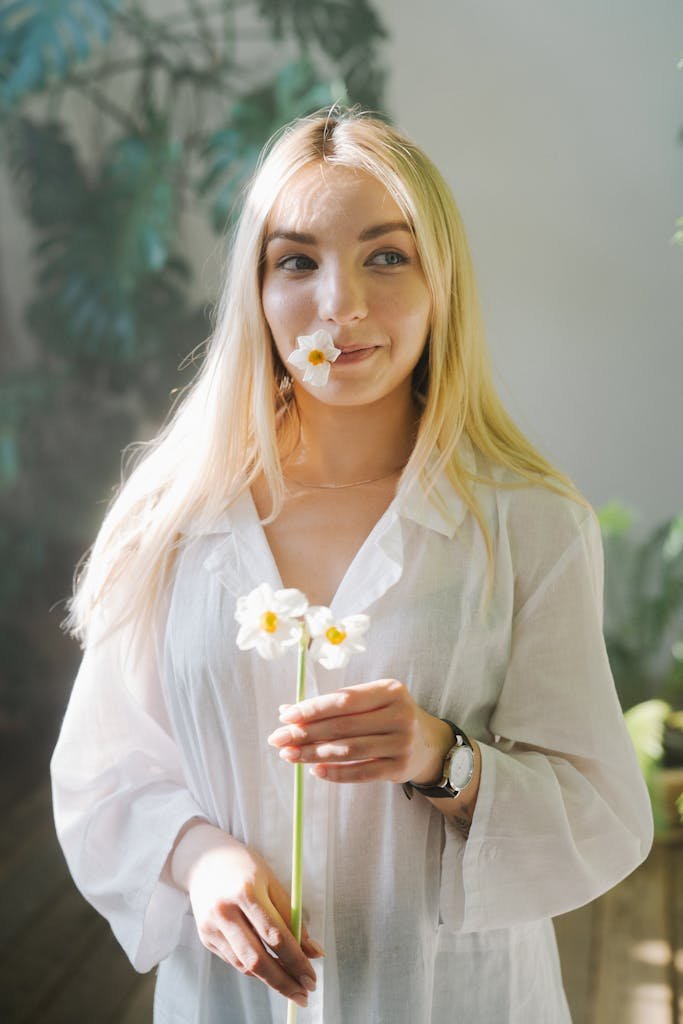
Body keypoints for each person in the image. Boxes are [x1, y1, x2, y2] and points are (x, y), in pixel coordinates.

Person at [51, 108, 653, 1024]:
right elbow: (105, 773)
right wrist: (198, 857)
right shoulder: (172, 520)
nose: (341, 305)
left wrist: (439, 757)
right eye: (297, 261)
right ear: (254, 290)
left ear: (439, 281)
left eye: (385, 256)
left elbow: (602, 811)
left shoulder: (529, 523)